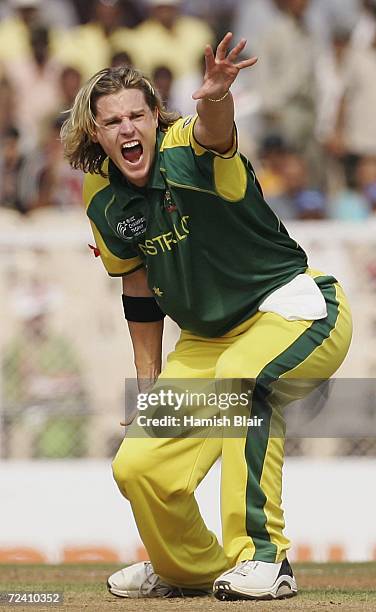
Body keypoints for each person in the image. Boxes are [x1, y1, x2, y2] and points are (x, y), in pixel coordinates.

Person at [61, 32, 352, 601]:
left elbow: (214, 134)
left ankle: (267, 560)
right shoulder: (99, 190)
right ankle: (186, 569)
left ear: (155, 118)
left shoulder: (184, 147)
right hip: (205, 339)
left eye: (137, 116)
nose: (127, 129)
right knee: (139, 466)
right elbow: (138, 282)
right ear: (96, 132)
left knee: (241, 381)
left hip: (291, 309)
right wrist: (146, 381)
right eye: (113, 120)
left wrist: (216, 95)